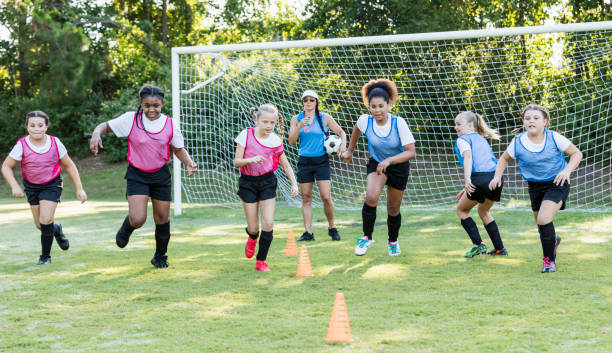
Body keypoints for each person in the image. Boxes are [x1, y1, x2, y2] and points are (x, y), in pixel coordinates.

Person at [89, 84, 197, 269]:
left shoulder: (171, 124)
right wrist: (96, 134)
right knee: (138, 218)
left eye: (156, 105)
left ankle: (160, 256)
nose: (151, 109)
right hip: (137, 174)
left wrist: (188, 161)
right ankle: (127, 227)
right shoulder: (131, 119)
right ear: (141, 103)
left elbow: (178, 149)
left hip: (160, 175)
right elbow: (105, 126)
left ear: (162, 103)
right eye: (147, 105)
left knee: (162, 217)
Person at [489, 104, 582, 273]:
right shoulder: (517, 142)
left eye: (536, 118)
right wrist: (497, 177)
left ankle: (549, 262)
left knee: (543, 219)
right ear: (524, 122)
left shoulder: (554, 137)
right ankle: (553, 241)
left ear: (545, 121)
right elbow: (503, 159)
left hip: (557, 182)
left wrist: (566, 171)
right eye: (527, 118)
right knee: (542, 226)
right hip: (534, 186)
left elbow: (577, 154)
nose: (531, 121)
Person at [342, 79, 416, 256]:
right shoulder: (365, 121)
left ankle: (393, 241)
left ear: (388, 105)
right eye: (373, 106)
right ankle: (366, 238)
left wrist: (390, 161)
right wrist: (349, 151)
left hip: (398, 166)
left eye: (381, 106)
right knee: (372, 196)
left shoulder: (399, 123)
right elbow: (357, 130)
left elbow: (411, 152)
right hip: (377, 163)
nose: (377, 110)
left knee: (393, 208)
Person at [1, 111, 87, 264]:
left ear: (46, 127)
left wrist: (79, 189)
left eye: (40, 125)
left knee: (46, 219)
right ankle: (57, 230)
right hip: (31, 186)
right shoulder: (21, 145)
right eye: (32, 125)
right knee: (40, 225)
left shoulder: (55, 143)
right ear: (27, 127)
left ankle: (45, 257)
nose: (36, 129)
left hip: (52, 183)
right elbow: (6, 166)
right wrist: (14, 186)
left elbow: (69, 165)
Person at [234, 104, 298, 271]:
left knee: (268, 223)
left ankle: (261, 261)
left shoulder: (275, 140)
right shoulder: (245, 135)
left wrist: (294, 183)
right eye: (265, 122)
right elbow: (236, 162)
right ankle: (252, 237)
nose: (269, 126)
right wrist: (251, 160)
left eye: (272, 123)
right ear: (256, 120)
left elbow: (286, 165)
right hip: (248, 183)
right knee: (254, 228)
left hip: (268, 182)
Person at [288, 90, 347, 242]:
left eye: (312, 100)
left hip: (321, 161)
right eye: (305, 100)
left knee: (326, 197)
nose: (308, 102)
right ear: (302, 102)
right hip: (304, 162)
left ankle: (332, 228)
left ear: (316, 102)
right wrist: (299, 125)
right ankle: (308, 233)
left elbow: (341, 132)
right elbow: (291, 141)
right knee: (306, 198)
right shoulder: (296, 118)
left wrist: (343, 146)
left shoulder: (324, 117)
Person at [453, 111, 507, 257]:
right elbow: (484, 166)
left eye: (459, 124)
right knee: (483, 211)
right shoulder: (481, 139)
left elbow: (468, 157)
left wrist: (467, 181)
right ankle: (500, 249)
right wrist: (467, 188)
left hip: (480, 179)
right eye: (455, 124)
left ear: (470, 125)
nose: (455, 127)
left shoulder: (462, 139)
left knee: (462, 211)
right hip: (496, 179)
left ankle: (478, 245)